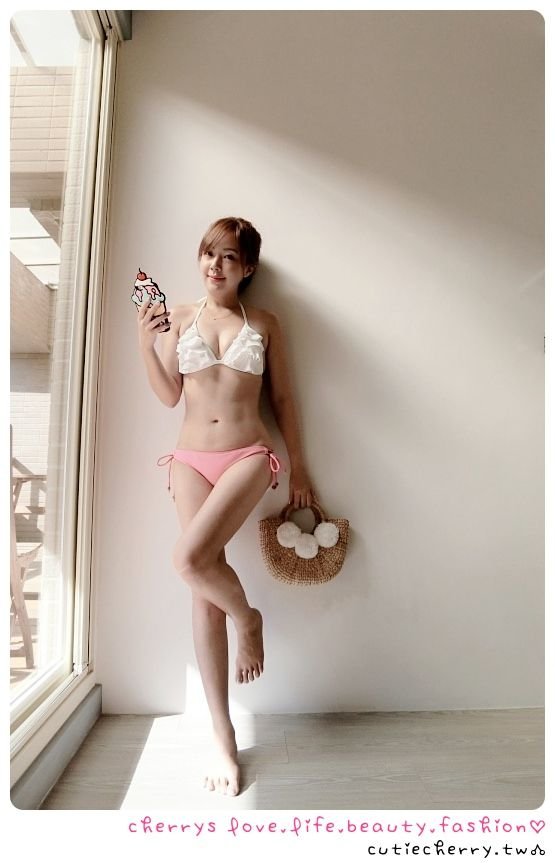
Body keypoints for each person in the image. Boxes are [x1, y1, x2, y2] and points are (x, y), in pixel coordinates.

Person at [137, 216, 314, 797]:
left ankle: (249, 619)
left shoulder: (264, 323)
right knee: (200, 587)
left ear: (248, 267)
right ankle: (222, 735)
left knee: (188, 561)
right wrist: (146, 343)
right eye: (209, 254)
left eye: (229, 257)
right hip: (189, 460)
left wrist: (300, 469)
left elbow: (283, 397)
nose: (215, 265)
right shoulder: (179, 317)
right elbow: (169, 394)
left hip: (248, 455)